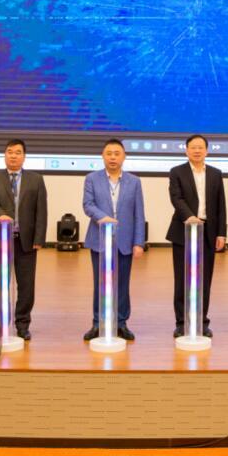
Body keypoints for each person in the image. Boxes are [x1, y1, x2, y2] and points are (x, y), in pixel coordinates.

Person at [82, 139, 146, 342]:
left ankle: (121, 323)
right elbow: (88, 205)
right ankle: (98, 323)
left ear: (124, 156)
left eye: (117, 153)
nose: (112, 157)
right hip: (99, 240)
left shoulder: (134, 181)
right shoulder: (92, 179)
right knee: (100, 284)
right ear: (102, 156)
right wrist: (103, 218)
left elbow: (139, 213)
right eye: (109, 153)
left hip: (125, 241)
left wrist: (139, 242)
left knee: (123, 285)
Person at [0, 139, 47, 341]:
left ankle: (22, 324)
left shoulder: (36, 180)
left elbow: (41, 211)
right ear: (5, 155)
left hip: (25, 241)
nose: (13, 155)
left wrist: (39, 238)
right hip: (1, 239)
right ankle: (1, 321)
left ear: (24, 156)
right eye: (10, 152)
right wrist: (1, 215)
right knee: (1, 283)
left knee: (26, 285)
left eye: (18, 152)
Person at [166, 134, 227, 338]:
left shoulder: (216, 174)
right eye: (193, 147)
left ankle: (202, 321)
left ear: (207, 151)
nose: (197, 150)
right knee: (182, 279)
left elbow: (221, 205)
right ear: (186, 150)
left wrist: (221, 233)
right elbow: (176, 198)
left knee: (204, 280)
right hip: (183, 230)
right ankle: (182, 322)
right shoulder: (177, 172)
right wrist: (190, 216)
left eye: (201, 147)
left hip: (208, 232)